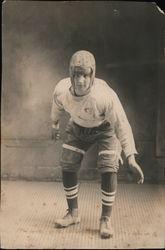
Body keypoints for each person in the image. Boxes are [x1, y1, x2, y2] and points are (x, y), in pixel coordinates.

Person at [51, 50, 144, 239]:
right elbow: (57, 106)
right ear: (71, 74)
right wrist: (54, 124)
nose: (80, 81)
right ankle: (73, 213)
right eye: (77, 75)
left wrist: (131, 157)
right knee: (67, 164)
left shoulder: (104, 96)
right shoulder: (61, 89)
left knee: (109, 167)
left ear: (92, 75)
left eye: (85, 75)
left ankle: (105, 219)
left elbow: (122, 124)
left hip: (105, 128)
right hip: (77, 126)